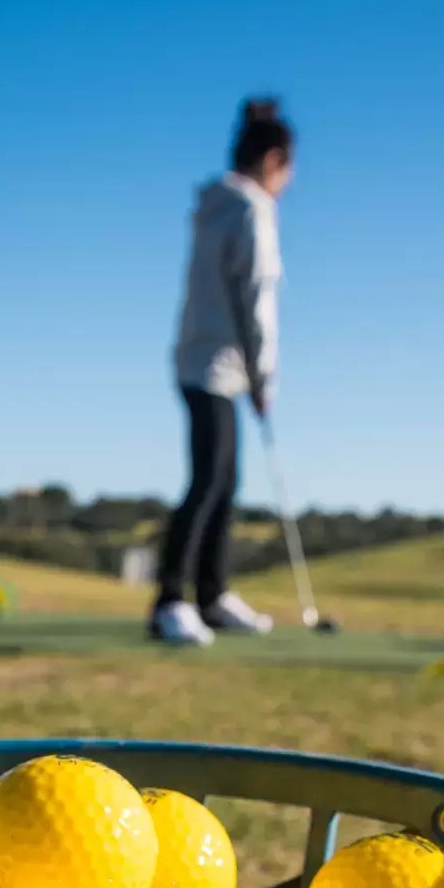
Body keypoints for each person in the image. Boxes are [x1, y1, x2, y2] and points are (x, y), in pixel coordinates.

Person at [149, 98, 295, 646]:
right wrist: (266, 379)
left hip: (198, 357)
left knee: (224, 481)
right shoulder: (252, 209)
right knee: (210, 481)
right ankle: (170, 600)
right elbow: (255, 300)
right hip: (220, 363)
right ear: (274, 159)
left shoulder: (214, 206)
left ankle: (211, 595)